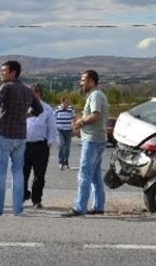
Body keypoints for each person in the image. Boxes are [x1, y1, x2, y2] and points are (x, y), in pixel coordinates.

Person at [0, 60, 43, 216]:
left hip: (4, 134)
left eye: (4, 70)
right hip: (20, 137)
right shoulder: (28, 90)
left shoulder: (6, 87)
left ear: (13, 73)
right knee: (18, 173)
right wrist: (25, 115)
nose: (1, 73)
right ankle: (18, 209)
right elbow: (39, 109)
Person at [62, 70, 108, 217]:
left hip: (93, 141)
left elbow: (95, 116)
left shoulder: (95, 96)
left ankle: (79, 207)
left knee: (84, 174)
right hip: (97, 139)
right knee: (95, 177)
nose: (81, 83)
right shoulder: (96, 95)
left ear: (91, 81)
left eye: (83, 80)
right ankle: (98, 207)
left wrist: (80, 122)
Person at [23, 84, 58, 209]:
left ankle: (36, 199)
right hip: (24, 145)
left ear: (39, 93)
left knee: (39, 175)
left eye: (33, 93)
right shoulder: (23, 106)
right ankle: (23, 194)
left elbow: (52, 128)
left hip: (40, 146)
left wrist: (48, 143)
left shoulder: (47, 109)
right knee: (22, 173)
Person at [54, 96, 75, 170]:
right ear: (62, 102)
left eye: (68, 102)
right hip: (60, 130)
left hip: (68, 131)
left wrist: (74, 126)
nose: (68, 103)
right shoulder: (57, 109)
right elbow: (53, 119)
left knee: (67, 148)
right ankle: (60, 162)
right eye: (66, 102)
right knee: (61, 145)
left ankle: (66, 162)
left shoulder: (70, 109)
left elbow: (73, 118)